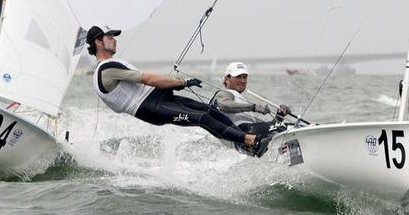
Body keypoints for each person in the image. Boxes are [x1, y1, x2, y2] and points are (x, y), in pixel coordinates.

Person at [87, 25, 272, 156]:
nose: (115, 41)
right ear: (98, 42)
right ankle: (250, 141)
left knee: (210, 110)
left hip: (158, 97)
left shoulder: (110, 65)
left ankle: (243, 141)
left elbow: (148, 82)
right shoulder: (106, 70)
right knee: (202, 118)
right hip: (151, 108)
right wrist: (181, 83)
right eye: (110, 37)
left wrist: (177, 84)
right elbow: (148, 79)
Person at [211, 62, 292, 133]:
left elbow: (268, 126)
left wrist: (279, 116)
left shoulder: (241, 100)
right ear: (227, 79)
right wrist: (253, 107)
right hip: (242, 132)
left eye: (244, 77)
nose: (242, 81)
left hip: (250, 133)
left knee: (282, 126)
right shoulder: (224, 93)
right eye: (238, 77)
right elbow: (223, 105)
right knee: (286, 127)